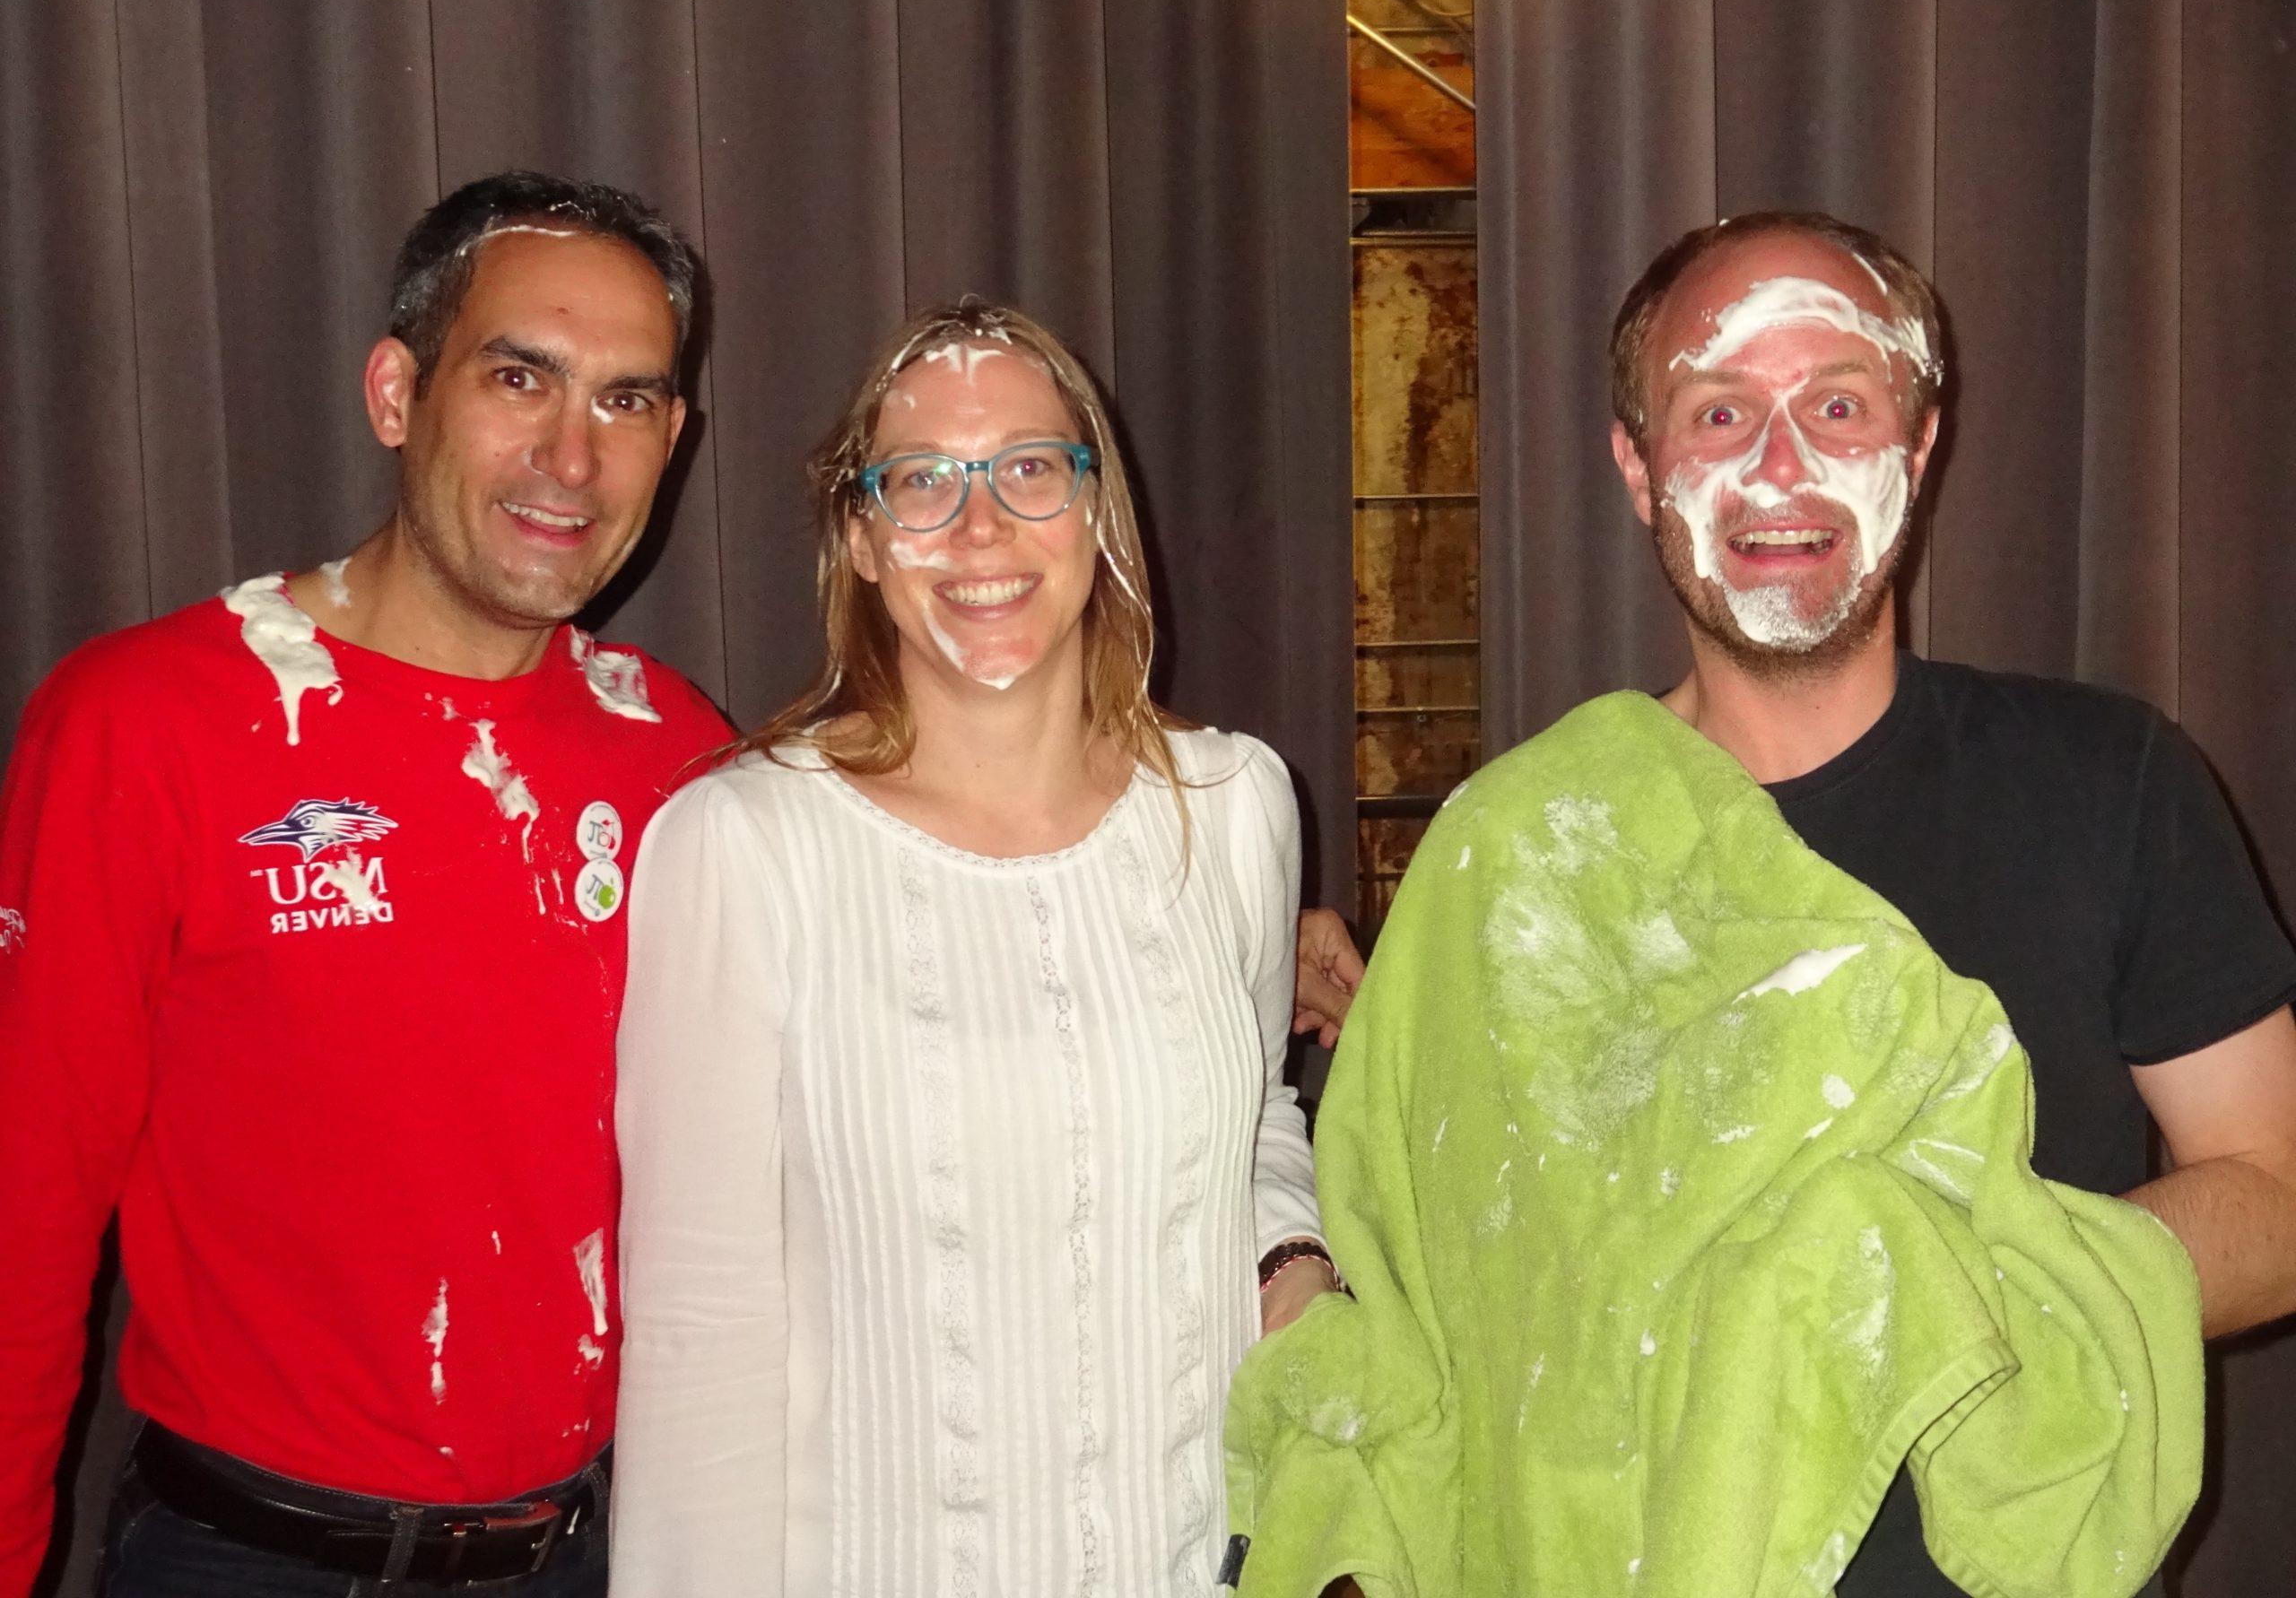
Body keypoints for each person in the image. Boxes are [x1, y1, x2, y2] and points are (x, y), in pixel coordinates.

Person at [1241, 212, 2296, 1597]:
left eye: (1838, 406)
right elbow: (1435, 1306)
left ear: (1917, 454)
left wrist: (1929, 1276)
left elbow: (2275, 1202)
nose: (1781, 465)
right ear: (1637, 465)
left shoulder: (2112, 780)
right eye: (1721, 410)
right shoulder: (1517, 857)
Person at [0, 171, 735, 1597]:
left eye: (628, 402)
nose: (571, 459)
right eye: (520, 377)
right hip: (252, 1558)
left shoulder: (681, 751)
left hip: (605, 1550)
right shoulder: (149, 724)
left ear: (675, 440)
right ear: (397, 392)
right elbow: (20, 1223)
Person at [609, 300, 1340, 1594]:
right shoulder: (744, 844)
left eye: (1027, 469)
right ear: (863, 539)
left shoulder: (1232, 810)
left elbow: (1254, 1116)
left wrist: (1291, 1256)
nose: (982, 525)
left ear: (1097, 514)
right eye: (922, 483)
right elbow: (699, 1337)